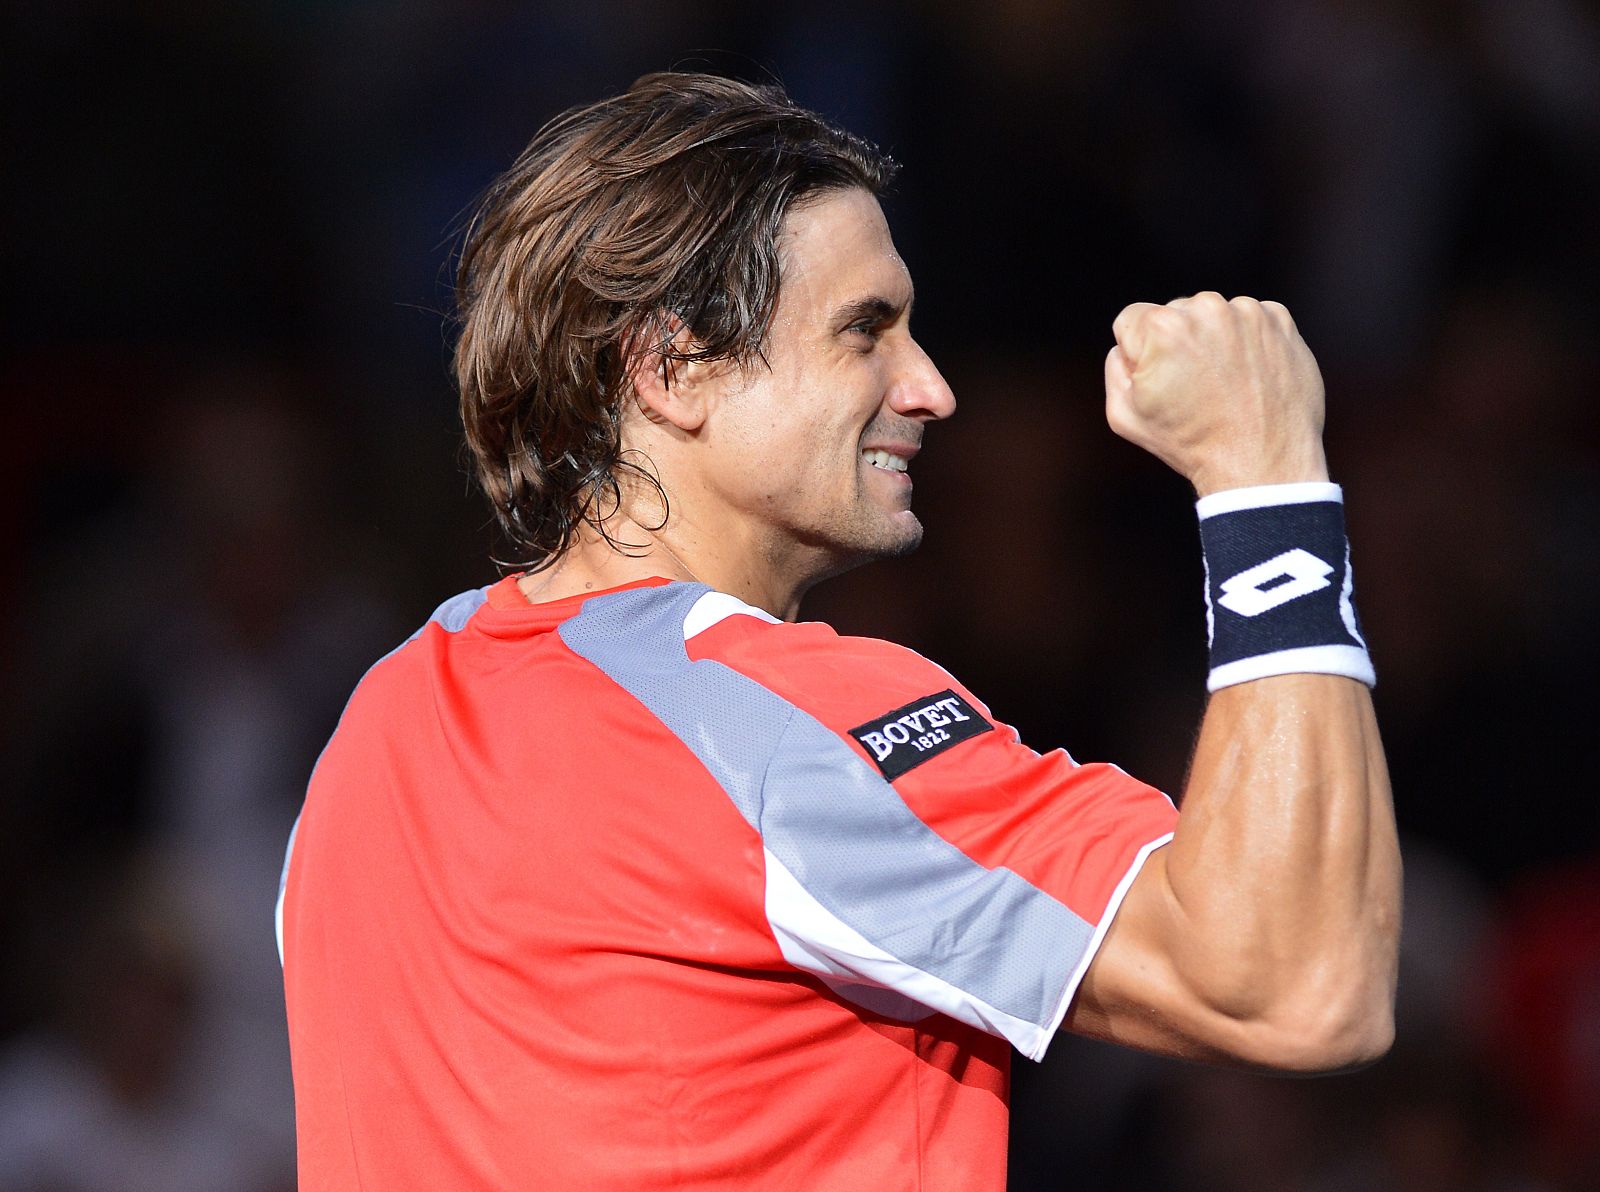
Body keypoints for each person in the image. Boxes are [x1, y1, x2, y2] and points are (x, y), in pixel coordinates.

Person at [277, 72, 1400, 1190]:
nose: (929, 388)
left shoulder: (370, 731)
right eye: (865, 331)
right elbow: (1298, 980)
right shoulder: (775, 721)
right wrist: (1266, 478)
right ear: (671, 367)